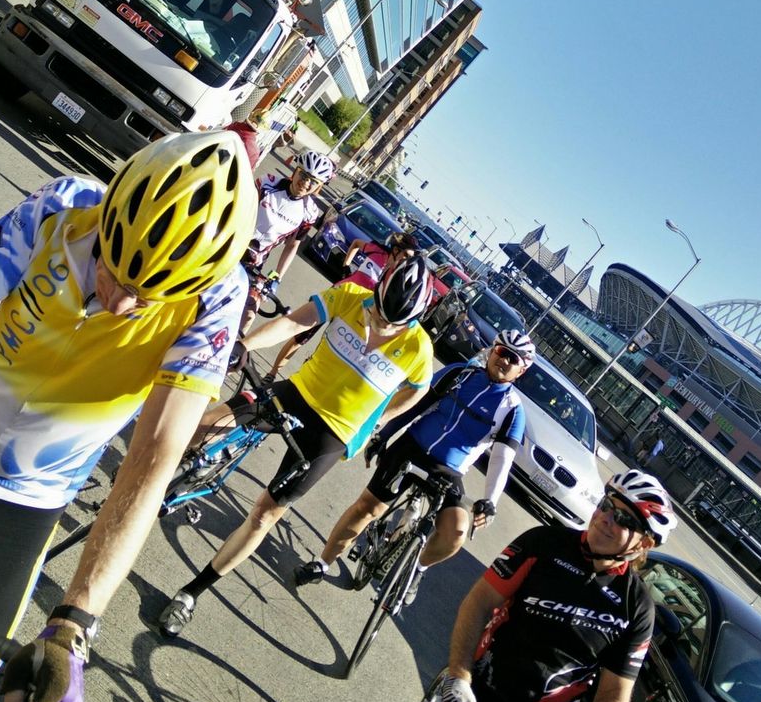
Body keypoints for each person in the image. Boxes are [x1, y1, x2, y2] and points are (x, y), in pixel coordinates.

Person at [0, 130, 257, 702]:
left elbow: (153, 458)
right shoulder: (66, 204)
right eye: (112, 269)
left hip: (20, 508)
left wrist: (73, 624)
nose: (119, 302)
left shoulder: (217, 297)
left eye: (145, 296)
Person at [157, 254, 436, 636]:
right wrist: (245, 344)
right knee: (207, 423)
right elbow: (294, 321)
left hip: (332, 433)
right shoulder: (350, 297)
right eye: (380, 314)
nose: (382, 325)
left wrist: (380, 419)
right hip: (294, 394)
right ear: (377, 291)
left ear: (416, 317)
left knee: (265, 514)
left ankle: (190, 594)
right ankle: (160, 477)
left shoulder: (419, 348)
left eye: (393, 323)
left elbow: (417, 390)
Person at [415, 469, 677, 702]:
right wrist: (459, 675)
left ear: (645, 543)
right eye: (606, 505)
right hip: (483, 687)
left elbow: (614, 694)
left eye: (624, 519)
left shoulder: (637, 606)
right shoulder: (543, 543)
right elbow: (479, 603)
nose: (606, 518)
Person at [293, 328, 534, 601]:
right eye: (502, 352)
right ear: (492, 351)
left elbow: (502, 458)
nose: (504, 360)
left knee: (455, 533)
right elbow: (414, 405)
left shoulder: (513, 410)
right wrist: (382, 435)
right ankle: (322, 564)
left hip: (448, 470)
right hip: (412, 448)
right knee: (368, 507)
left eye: (513, 359)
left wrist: (490, 501)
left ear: (522, 370)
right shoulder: (459, 374)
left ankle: (416, 569)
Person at [266, 229, 419, 380]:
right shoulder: (376, 251)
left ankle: (301, 380)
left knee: (328, 348)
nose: (407, 260)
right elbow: (356, 243)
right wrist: (346, 266)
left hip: (354, 310)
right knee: (301, 337)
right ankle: (272, 374)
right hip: (337, 295)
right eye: (406, 255)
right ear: (396, 250)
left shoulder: (397, 277)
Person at [247, 150, 335, 305]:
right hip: (229, 245)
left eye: (313, 181)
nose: (306, 183)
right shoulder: (267, 183)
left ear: (319, 186)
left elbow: (292, 245)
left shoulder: (310, 212)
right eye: (304, 175)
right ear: (296, 171)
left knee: (250, 309)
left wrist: (277, 277)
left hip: (254, 262)